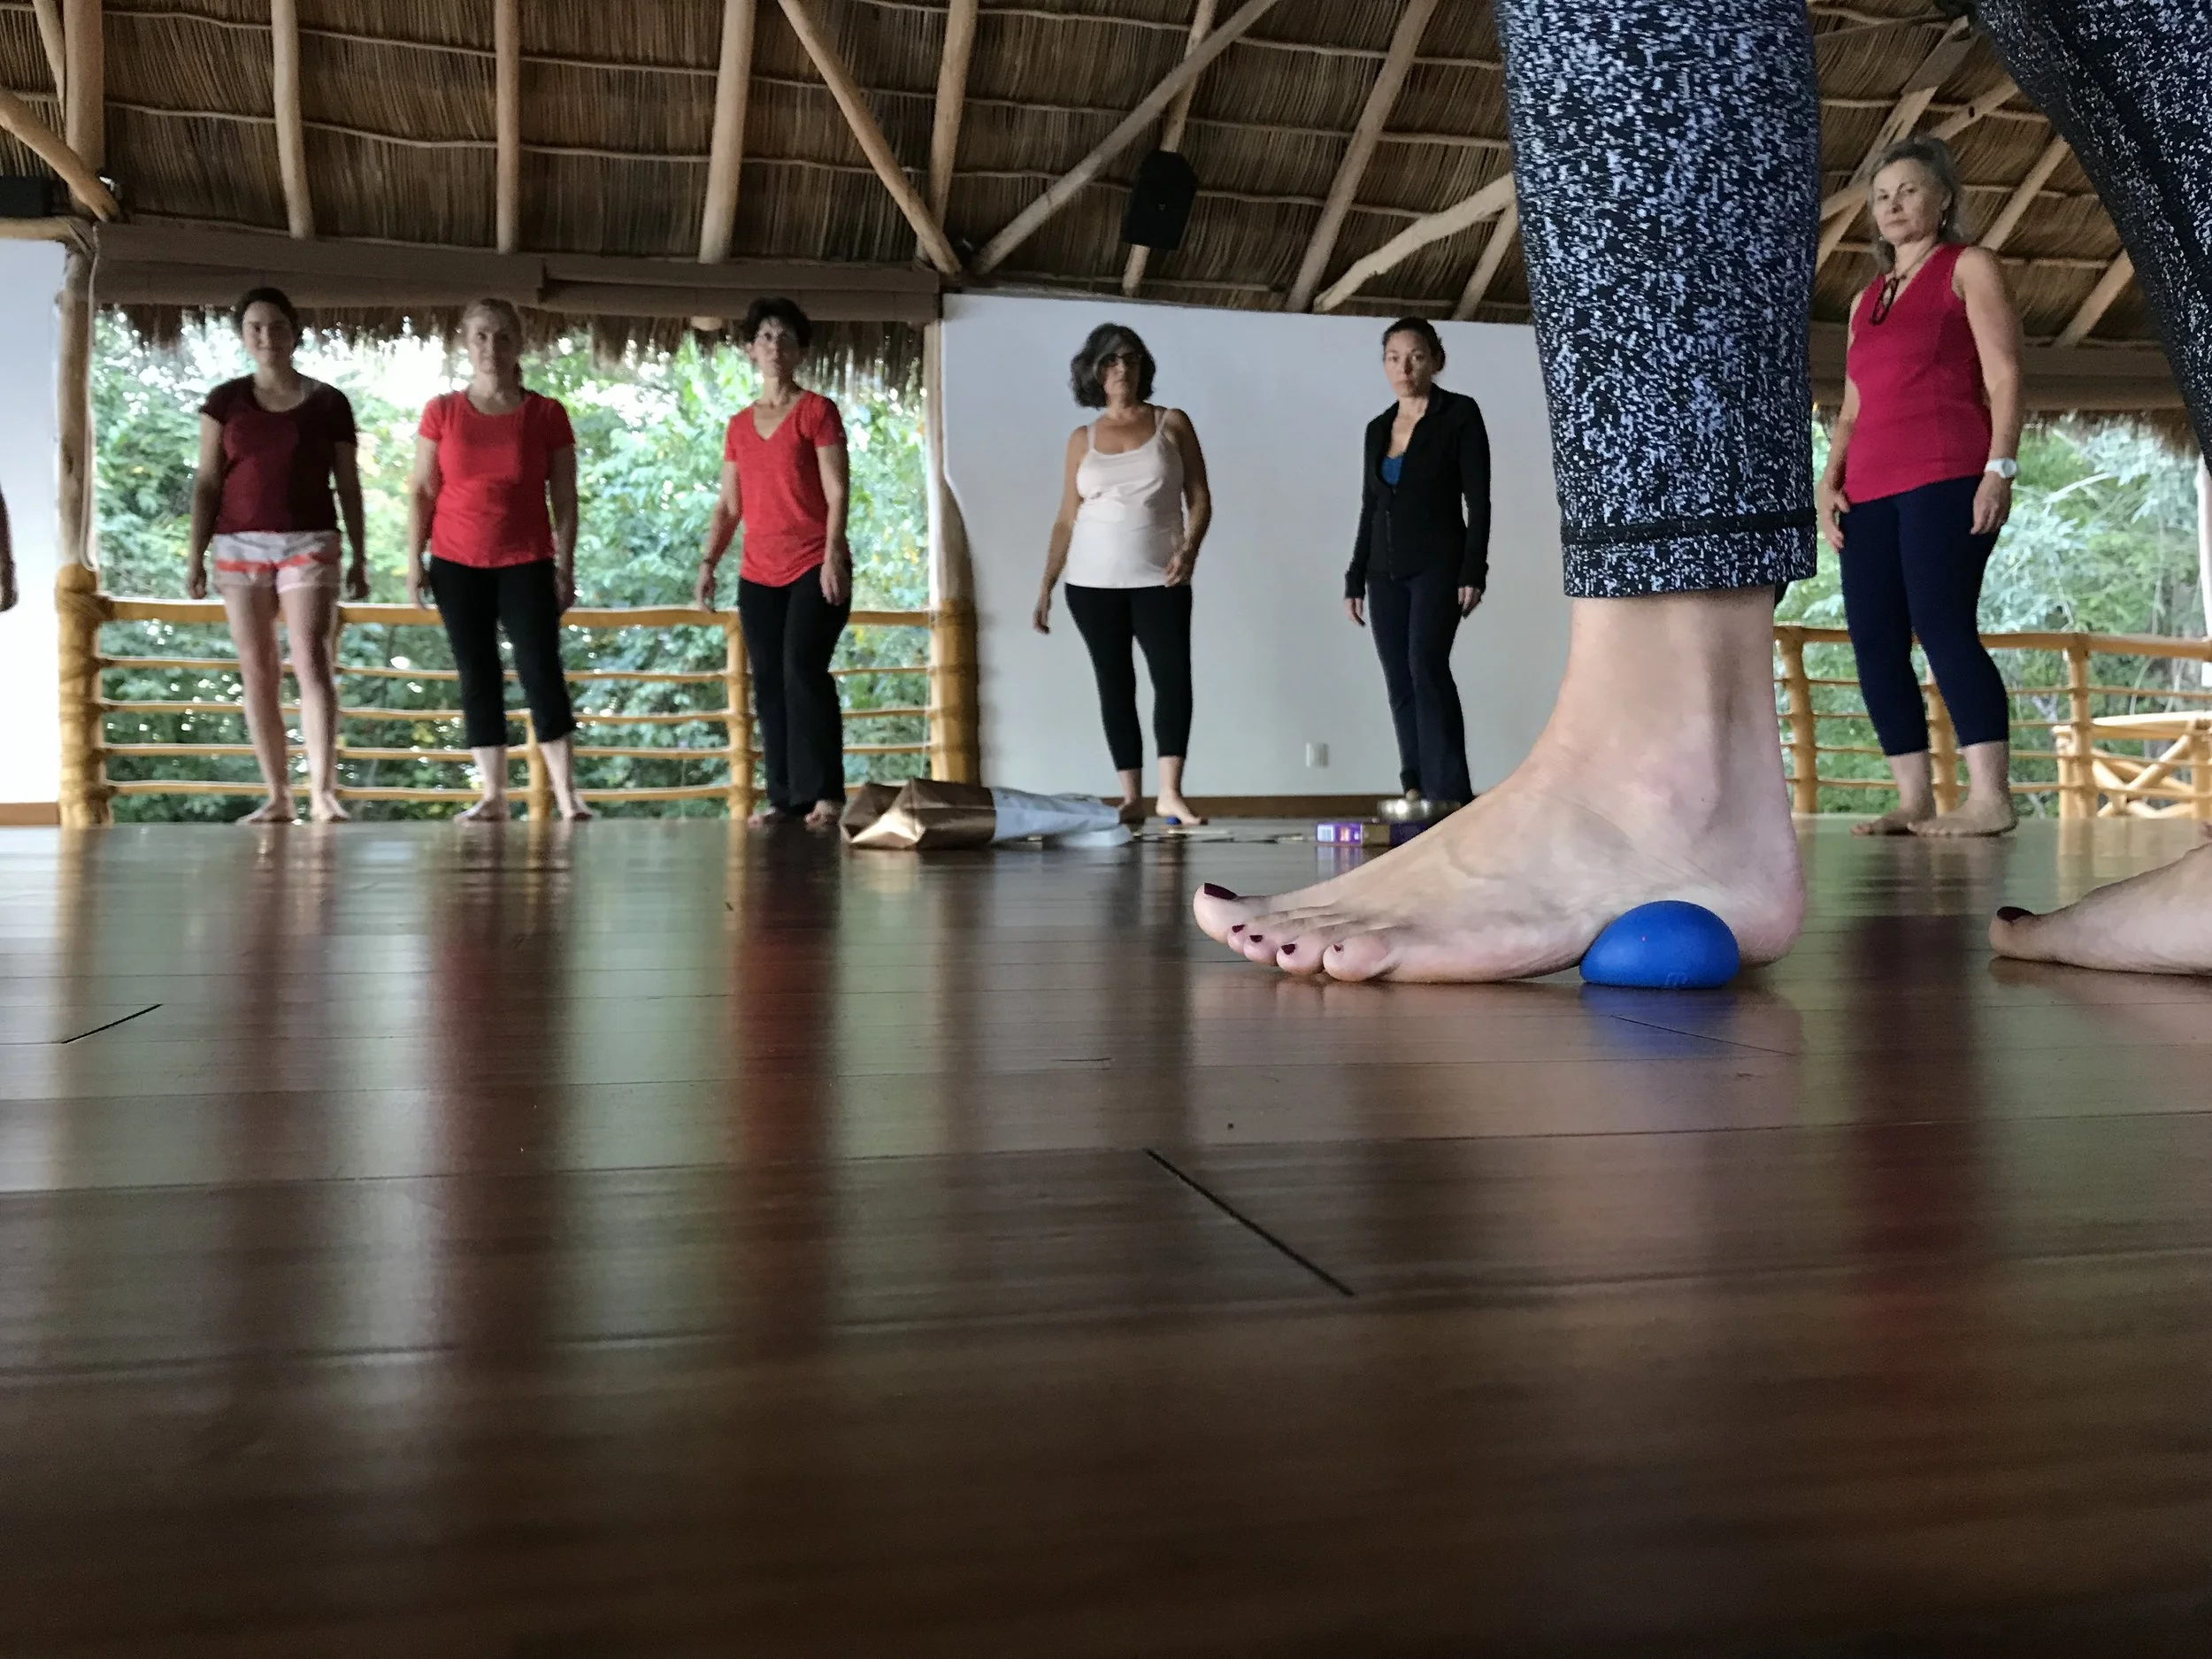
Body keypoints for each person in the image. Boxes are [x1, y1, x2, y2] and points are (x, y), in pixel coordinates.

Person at [1819, 135, 2025, 839]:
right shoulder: (1865, 300)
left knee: (1942, 625)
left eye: (1909, 190)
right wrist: (1828, 480)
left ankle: (1991, 797)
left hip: (1948, 472)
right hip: (1868, 489)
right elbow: (1852, 409)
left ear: (1943, 199)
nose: (1894, 204)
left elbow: (2004, 374)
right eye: (1882, 196)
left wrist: (2000, 467)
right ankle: (1913, 798)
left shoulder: (1968, 266)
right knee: (1875, 641)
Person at [184, 288, 369, 825]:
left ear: (295, 331)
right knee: (257, 667)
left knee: (311, 658)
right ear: (243, 336)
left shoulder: (329, 403)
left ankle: (323, 793)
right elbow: (207, 482)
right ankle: (278, 795)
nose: (267, 336)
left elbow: (349, 484)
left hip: (309, 541)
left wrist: (360, 556)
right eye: (255, 327)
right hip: (237, 544)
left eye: (277, 325)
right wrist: (195, 556)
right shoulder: (224, 401)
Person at [404, 296, 590, 823]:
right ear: (466, 344)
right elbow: (422, 490)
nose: (491, 347)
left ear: (519, 345)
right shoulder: (442, 411)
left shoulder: (546, 414)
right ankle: (492, 794)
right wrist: (414, 560)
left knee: (540, 668)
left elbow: (565, 499)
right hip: (455, 561)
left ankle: (567, 795)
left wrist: (565, 566)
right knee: (476, 671)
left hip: (526, 560)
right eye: (481, 336)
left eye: (503, 336)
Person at [1033, 322, 1214, 826]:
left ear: (1142, 367)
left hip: (1161, 579)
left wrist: (1190, 550)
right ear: (1094, 370)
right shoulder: (1082, 438)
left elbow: (1200, 498)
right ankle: (1131, 795)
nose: (1121, 368)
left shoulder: (1171, 423)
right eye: (1110, 360)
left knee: (1173, 680)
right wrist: (1046, 584)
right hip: (1091, 585)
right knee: (1115, 684)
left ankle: (1170, 793)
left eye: (1130, 359)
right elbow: (1066, 517)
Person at [695, 297, 853, 830]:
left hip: (814, 563)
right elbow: (729, 505)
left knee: (801, 668)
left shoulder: (817, 412)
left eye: (785, 337)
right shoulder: (739, 426)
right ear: (749, 350)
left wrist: (833, 555)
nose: (774, 345)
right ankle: (786, 799)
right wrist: (709, 562)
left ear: (800, 351)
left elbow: (837, 491)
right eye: (764, 336)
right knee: (767, 680)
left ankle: (825, 793)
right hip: (757, 572)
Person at [1344, 317, 1490, 810]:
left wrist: (1473, 570)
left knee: (1426, 666)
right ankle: (1415, 784)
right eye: (1393, 358)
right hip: (1382, 572)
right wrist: (1354, 577)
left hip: (1438, 565)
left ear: (1435, 360)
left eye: (1416, 357)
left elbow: (1479, 501)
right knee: (1399, 678)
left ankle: (1451, 793)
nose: (1404, 368)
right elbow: (1370, 507)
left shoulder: (1460, 414)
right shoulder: (1377, 429)